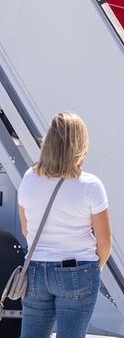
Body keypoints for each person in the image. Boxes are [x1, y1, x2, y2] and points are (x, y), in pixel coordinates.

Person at [17, 112, 111, 338]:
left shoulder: (29, 178)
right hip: (78, 268)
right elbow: (104, 242)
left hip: (36, 270)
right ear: (81, 144)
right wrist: (92, 269)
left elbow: (26, 228)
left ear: (48, 142)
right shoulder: (91, 185)